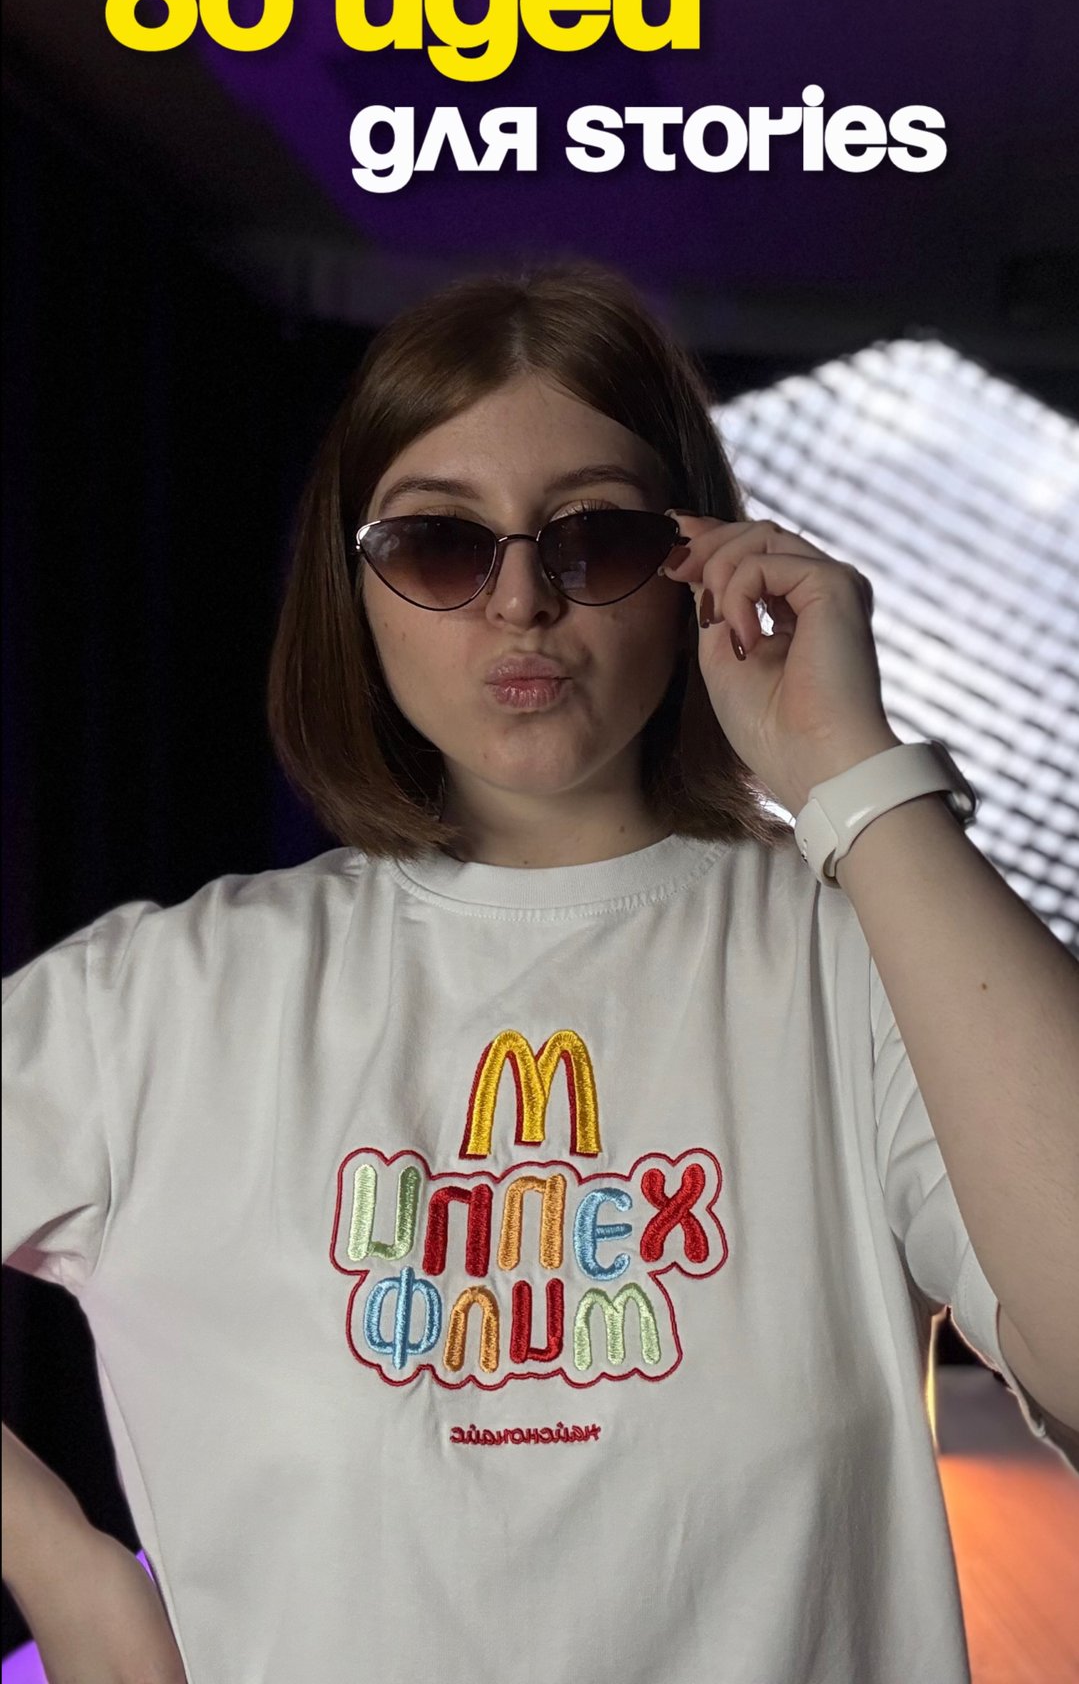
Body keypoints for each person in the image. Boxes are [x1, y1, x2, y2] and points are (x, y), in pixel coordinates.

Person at [3, 259, 1077, 1684]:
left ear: (694, 566)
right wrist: (68, 1577)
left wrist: (856, 777)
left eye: (595, 539)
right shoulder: (155, 1001)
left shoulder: (860, 955)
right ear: (357, 590)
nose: (519, 603)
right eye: (440, 546)